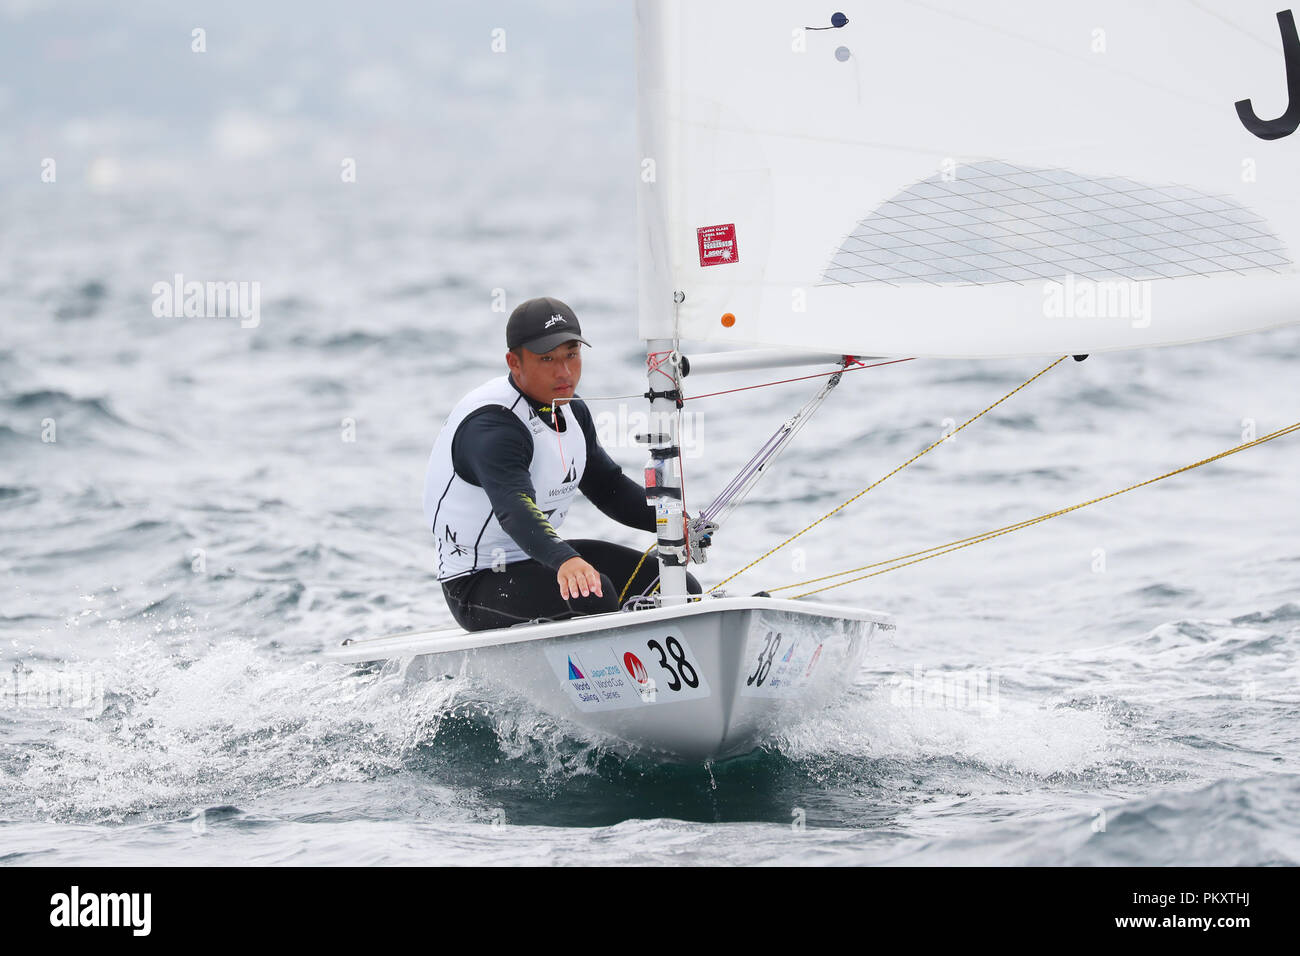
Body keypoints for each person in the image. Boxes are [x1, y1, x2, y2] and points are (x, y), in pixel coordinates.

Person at [423, 296, 702, 631]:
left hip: (537, 558)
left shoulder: (571, 408)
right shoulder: (494, 426)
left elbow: (608, 488)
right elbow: (514, 508)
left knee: (678, 588)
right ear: (514, 362)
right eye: (547, 359)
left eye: (572, 355)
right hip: (477, 581)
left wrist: (673, 523)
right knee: (595, 595)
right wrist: (565, 559)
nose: (565, 372)